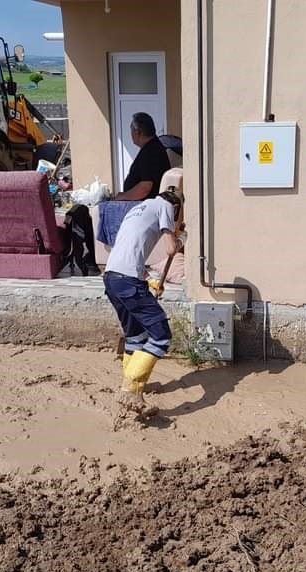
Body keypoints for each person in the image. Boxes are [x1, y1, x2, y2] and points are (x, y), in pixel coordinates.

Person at [103, 187, 183, 417]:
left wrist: (148, 281)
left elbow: (131, 250)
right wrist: (180, 240)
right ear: (175, 207)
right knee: (161, 336)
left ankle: (132, 385)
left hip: (112, 278)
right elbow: (170, 249)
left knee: (135, 336)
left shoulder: (139, 208)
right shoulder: (165, 207)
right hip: (127, 281)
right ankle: (130, 389)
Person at [114, 112, 171, 201]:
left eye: (131, 130)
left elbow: (145, 187)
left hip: (146, 205)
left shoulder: (150, 152)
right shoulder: (152, 147)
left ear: (137, 132)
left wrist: (124, 196)